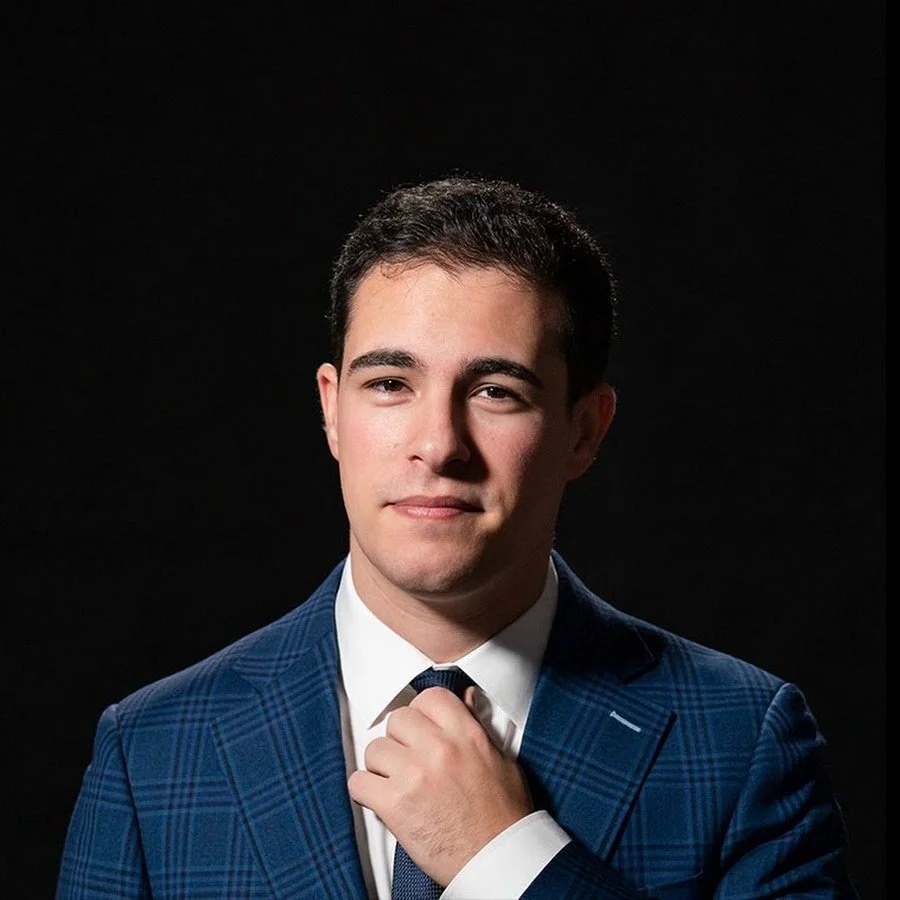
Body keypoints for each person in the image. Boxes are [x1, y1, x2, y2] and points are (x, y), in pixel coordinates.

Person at [57, 177, 857, 899]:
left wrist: (509, 858)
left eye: (495, 391)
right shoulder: (152, 751)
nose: (438, 444)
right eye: (390, 384)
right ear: (332, 409)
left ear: (584, 431)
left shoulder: (744, 739)